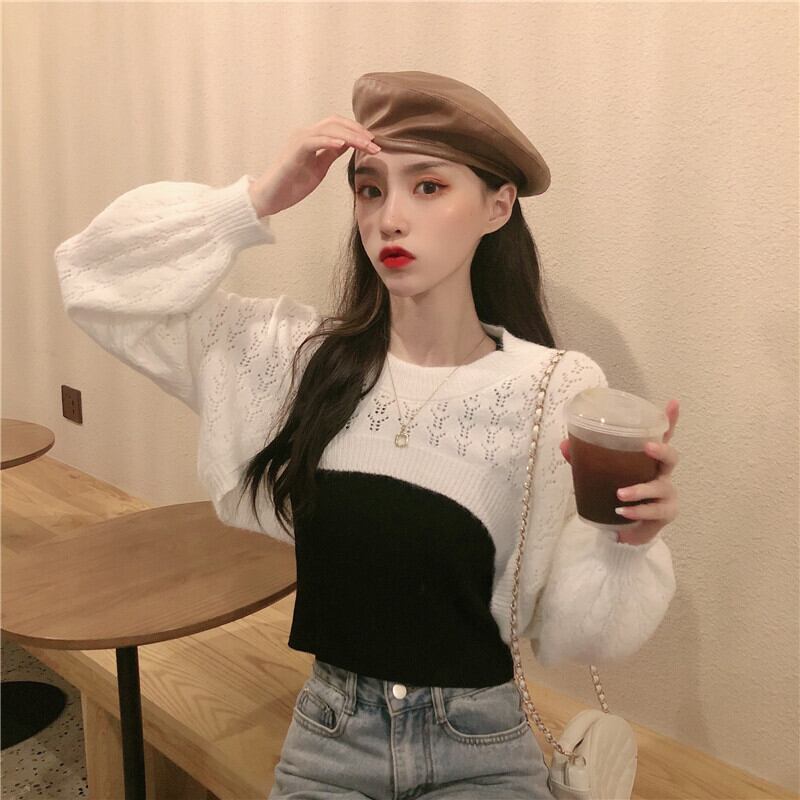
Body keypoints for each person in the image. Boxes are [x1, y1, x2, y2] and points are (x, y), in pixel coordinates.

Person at [54, 70, 679, 799]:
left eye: (429, 186)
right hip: (330, 738)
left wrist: (625, 542)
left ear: (498, 205)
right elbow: (94, 279)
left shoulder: (552, 386)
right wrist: (252, 201)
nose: (390, 219)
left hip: (481, 743)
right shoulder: (297, 361)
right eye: (370, 189)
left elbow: (574, 633)